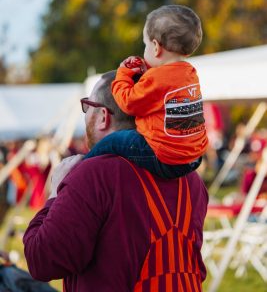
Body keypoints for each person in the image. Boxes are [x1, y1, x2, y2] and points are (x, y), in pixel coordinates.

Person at [23, 71, 208, 292]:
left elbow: (42, 260)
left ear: (103, 116)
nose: (85, 115)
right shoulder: (190, 179)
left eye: (87, 106)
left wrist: (54, 194)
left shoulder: (93, 174)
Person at [85, 5, 208, 179]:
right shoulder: (189, 74)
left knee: (113, 141)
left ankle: (81, 168)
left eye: (145, 45)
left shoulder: (158, 79)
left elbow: (128, 102)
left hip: (165, 160)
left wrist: (124, 72)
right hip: (193, 158)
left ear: (156, 47)